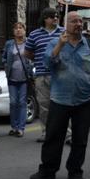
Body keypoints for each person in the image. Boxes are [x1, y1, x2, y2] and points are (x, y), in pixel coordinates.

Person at [30, 12, 90, 179]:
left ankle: (75, 172)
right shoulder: (55, 42)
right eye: (74, 21)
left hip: (85, 101)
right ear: (66, 25)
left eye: (80, 21)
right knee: (53, 137)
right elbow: (47, 65)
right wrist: (59, 44)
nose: (78, 24)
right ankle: (47, 170)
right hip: (60, 99)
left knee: (80, 139)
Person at [25, 7, 65, 142]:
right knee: (44, 106)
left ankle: (68, 134)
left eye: (57, 16)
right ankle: (46, 133)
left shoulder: (64, 32)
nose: (55, 18)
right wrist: (40, 59)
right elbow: (27, 53)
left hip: (61, 75)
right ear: (45, 18)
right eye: (52, 16)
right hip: (41, 75)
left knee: (64, 105)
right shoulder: (34, 34)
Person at [2, 22, 33, 138]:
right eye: (16, 28)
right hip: (12, 77)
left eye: (20, 28)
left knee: (22, 102)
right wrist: (6, 66)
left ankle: (21, 128)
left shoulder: (29, 42)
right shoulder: (9, 44)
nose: (18, 30)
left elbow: (33, 56)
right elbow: (4, 57)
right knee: (13, 102)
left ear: (25, 30)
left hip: (25, 77)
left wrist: (31, 68)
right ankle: (14, 127)